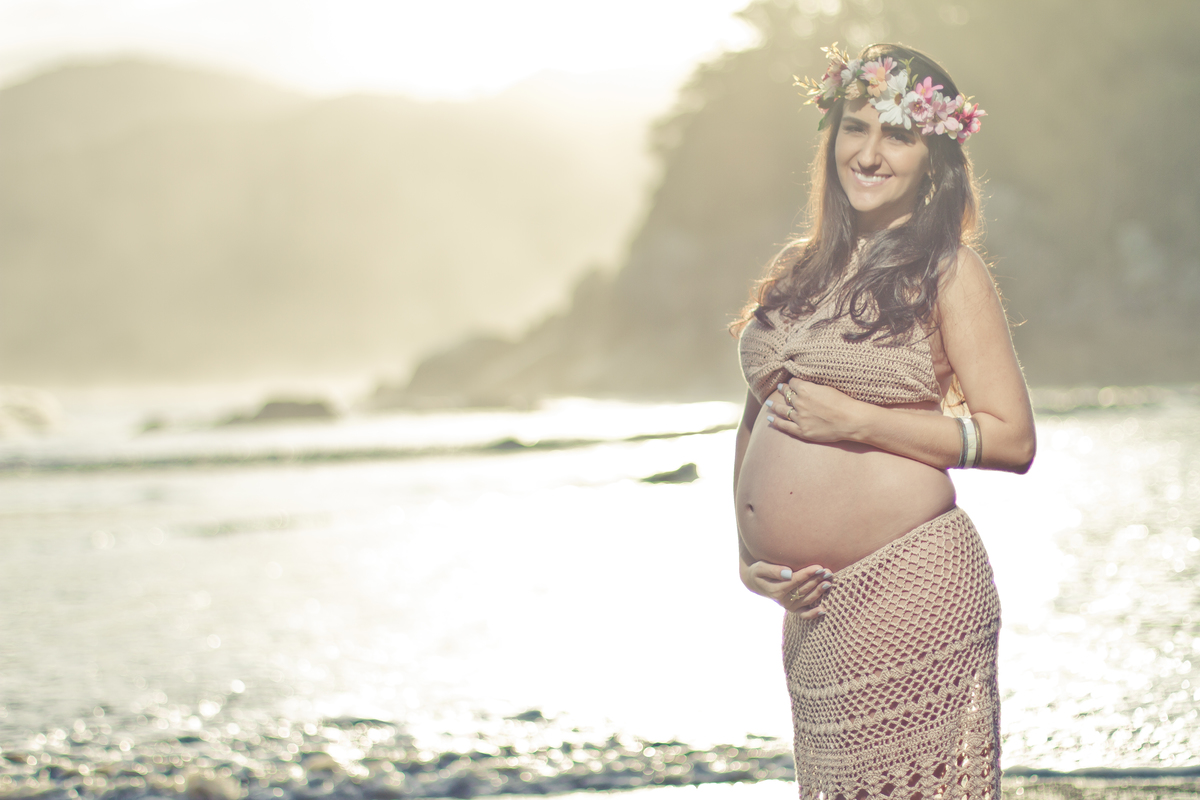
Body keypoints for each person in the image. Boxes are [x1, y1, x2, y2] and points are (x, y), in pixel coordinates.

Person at [731, 43, 1035, 799]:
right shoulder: (796, 270)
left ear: (932, 157)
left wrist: (857, 420)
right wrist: (749, 557)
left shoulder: (947, 271)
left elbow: (1012, 438)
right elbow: (753, 422)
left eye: (896, 135)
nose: (868, 153)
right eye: (854, 127)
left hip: (912, 586)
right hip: (813, 612)